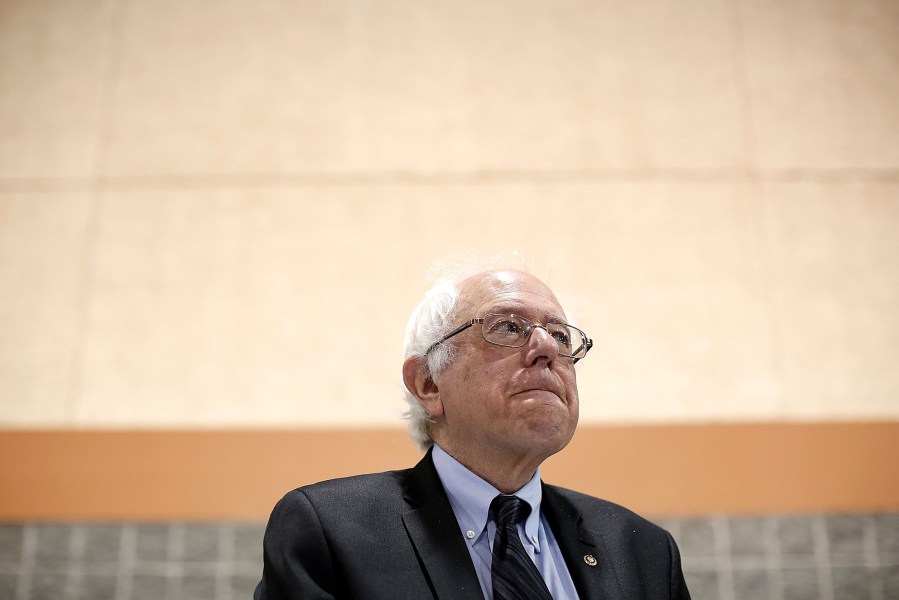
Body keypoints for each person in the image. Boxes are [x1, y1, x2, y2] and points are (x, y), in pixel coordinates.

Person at [255, 261, 691, 599]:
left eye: (560, 335)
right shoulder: (330, 531)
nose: (546, 349)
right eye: (507, 327)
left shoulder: (644, 551)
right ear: (428, 384)